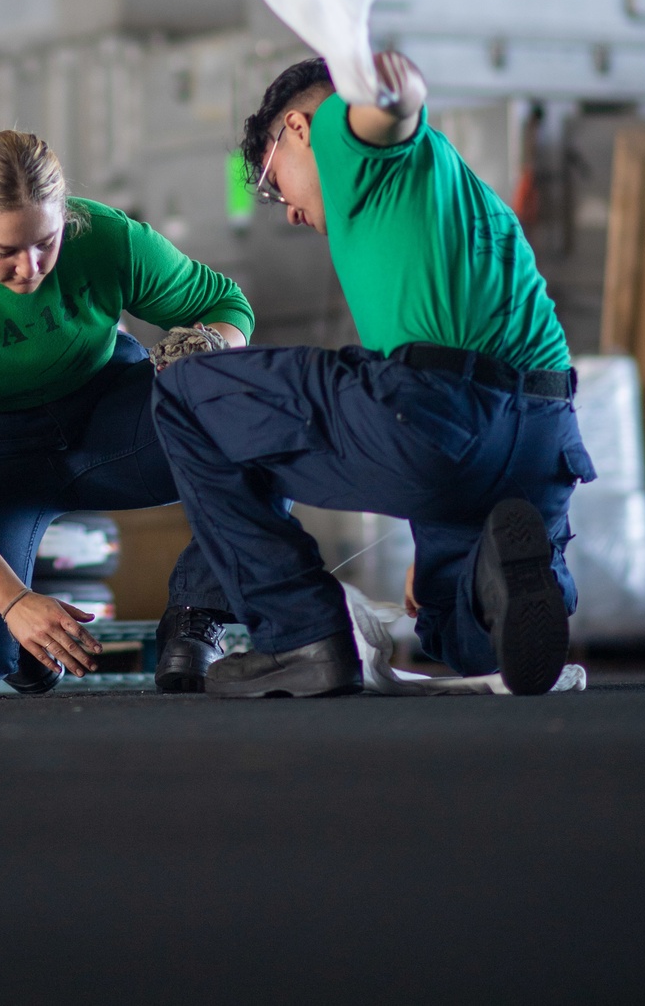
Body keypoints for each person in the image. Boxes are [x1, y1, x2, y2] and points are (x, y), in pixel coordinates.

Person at [152, 50, 596, 698]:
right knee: (453, 629)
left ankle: (298, 634)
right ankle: (495, 579)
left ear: (297, 132)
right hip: (541, 440)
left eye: (275, 183)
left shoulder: (338, 137)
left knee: (187, 395)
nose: (289, 212)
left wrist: (395, 87)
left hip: (439, 415)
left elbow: (388, 109)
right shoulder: (450, 194)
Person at [0, 129, 253, 697]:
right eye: (6, 251)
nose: (30, 268)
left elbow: (228, 304)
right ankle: (13, 636)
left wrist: (205, 349)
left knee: (254, 410)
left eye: (46, 242)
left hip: (105, 421)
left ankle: (198, 616)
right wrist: (15, 603)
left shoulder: (107, 237)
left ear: (65, 216)